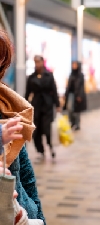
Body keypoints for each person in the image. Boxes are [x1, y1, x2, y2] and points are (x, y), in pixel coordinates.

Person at [0, 29, 45, 224]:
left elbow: (26, 174)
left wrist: (38, 215)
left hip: (24, 214)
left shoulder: (7, 105)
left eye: (1, 59)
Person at [25, 55, 60, 160]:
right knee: (37, 131)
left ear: (42, 62)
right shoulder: (31, 77)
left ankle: (50, 147)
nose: (37, 64)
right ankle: (40, 151)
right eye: (35, 62)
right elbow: (27, 93)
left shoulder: (49, 76)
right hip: (36, 106)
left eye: (38, 62)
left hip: (47, 105)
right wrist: (24, 106)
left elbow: (54, 91)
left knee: (47, 130)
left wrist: (57, 104)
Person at [63, 61, 87, 130]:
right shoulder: (71, 74)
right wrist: (65, 94)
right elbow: (68, 85)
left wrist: (80, 96)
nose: (73, 66)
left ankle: (77, 124)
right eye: (72, 64)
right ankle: (72, 122)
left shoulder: (81, 75)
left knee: (77, 111)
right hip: (70, 94)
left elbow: (82, 86)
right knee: (70, 109)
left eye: (75, 64)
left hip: (77, 95)